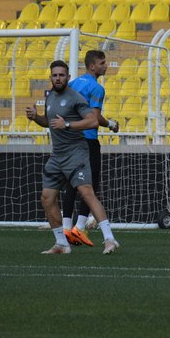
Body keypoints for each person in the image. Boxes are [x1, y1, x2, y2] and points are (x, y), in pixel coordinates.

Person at [25, 60, 119, 255]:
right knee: (47, 197)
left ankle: (110, 239)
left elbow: (93, 121)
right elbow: (49, 123)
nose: (58, 78)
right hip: (57, 156)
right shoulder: (50, 97)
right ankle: (61, 243)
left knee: (86, 193)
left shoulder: (75, 98)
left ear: (68, 77)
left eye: (61, 75)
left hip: (77, 153)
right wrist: (36, 117)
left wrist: (67, 124)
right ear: (50, 77)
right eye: (55, 75)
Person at [60, 50, 120, 248]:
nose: (106, 65)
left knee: (72, 183)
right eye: (102, 63)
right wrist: (111, 124)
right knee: (90, 185)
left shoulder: (73, 84)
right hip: (87, 141)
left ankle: (67, 228)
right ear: (92, 66)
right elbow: (94, 119)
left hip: (71, 140)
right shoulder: (96, 88)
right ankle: (79, 227)